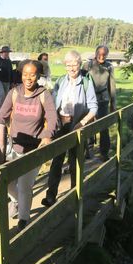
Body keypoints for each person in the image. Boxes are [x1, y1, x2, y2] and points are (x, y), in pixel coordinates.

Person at [0, 60, 57, 231]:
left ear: (38, 76)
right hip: (13, 147)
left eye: (32, 74)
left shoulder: (44, 95)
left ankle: (23, 220)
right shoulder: (14, 93)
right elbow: (0, 117)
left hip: (33, 150)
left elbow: (52, 118)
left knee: (25, 186)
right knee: (5, 182)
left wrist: (47, 135)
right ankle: (16, 201)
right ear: (21, 75)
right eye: (25, 74)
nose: (28, 78)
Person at [41, 50, 97, 207]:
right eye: (69, 65)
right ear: (65, 65)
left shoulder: (86, 81)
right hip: (61, 125)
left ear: (80, 64)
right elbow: (52, 104)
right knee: (56, 161)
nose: (72, 68)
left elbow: (93, 107)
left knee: (75, 161)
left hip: (77, 125)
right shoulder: (61, 81)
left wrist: (83, 123)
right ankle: (51, 196)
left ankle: (75, 194)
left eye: (75, 64)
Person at [85, 44, 117, 161]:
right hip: (88, 100)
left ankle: (104, 153)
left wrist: (113, 103)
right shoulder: (87, 65)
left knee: (103, 127)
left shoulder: (109, 67)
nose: (102, 56)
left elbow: (112, 85)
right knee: (88, 125)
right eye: (100, 54)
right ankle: (87, 151)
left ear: (107, 55)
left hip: (103, 100)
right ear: (96, 53)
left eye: (104, 54)